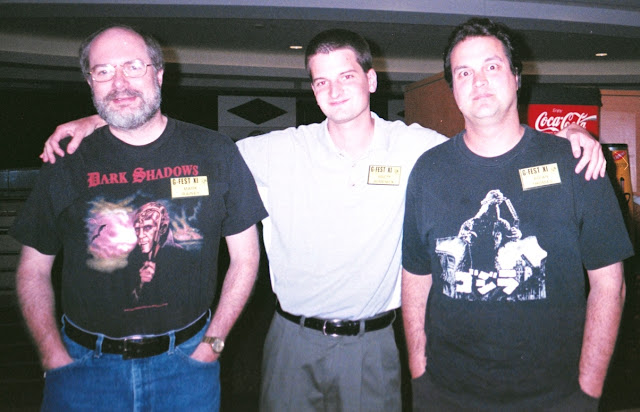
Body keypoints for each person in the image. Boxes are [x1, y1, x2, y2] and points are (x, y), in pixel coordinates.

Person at [40, 29, 606, 412]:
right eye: (320, 81)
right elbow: (185, 148)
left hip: (374, 344)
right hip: (291, 340)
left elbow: (490, 142)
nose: (334, 91)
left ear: (371, 80)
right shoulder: (276, 150)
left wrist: (571, 137)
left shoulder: (418, 149)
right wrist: (102, 118)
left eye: (346, 76)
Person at [11, 25, 267, 411]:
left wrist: (212, 345)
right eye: (103, 71)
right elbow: (33, 268)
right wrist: (52, 355)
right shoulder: (67, 160)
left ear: (158, 74)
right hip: (83, 370)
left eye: (133, 67)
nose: (119, 83)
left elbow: (246, 259)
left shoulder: (214, 152)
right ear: (90, 83)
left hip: (187, 368)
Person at [401, 17, 633, 411]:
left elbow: (610, 285)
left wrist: (588, 391)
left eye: (491, 66)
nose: (478, 81)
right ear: (453, 88)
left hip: (555, 397)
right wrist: (419, 374)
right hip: (446, 394)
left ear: (517, 77)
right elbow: (415, 279)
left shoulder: (575, 163)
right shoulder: (428, 171)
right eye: (464, 72)